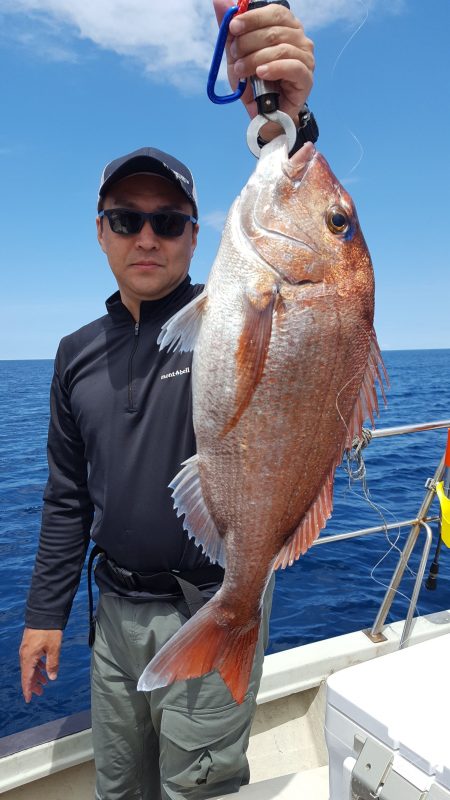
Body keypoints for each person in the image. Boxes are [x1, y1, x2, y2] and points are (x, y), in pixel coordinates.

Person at [19, 2, 315, 798]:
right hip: (110, 613)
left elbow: (300, 307)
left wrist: (289, 117)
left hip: (213, 597)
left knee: (200, 787)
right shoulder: (74, 353)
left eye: (167, 220)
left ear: (196, 235)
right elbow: (66, 494)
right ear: (101, 231)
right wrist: (44, 612)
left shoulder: (229, 313)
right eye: (127, 219)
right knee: (121, 784)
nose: (146, 237)